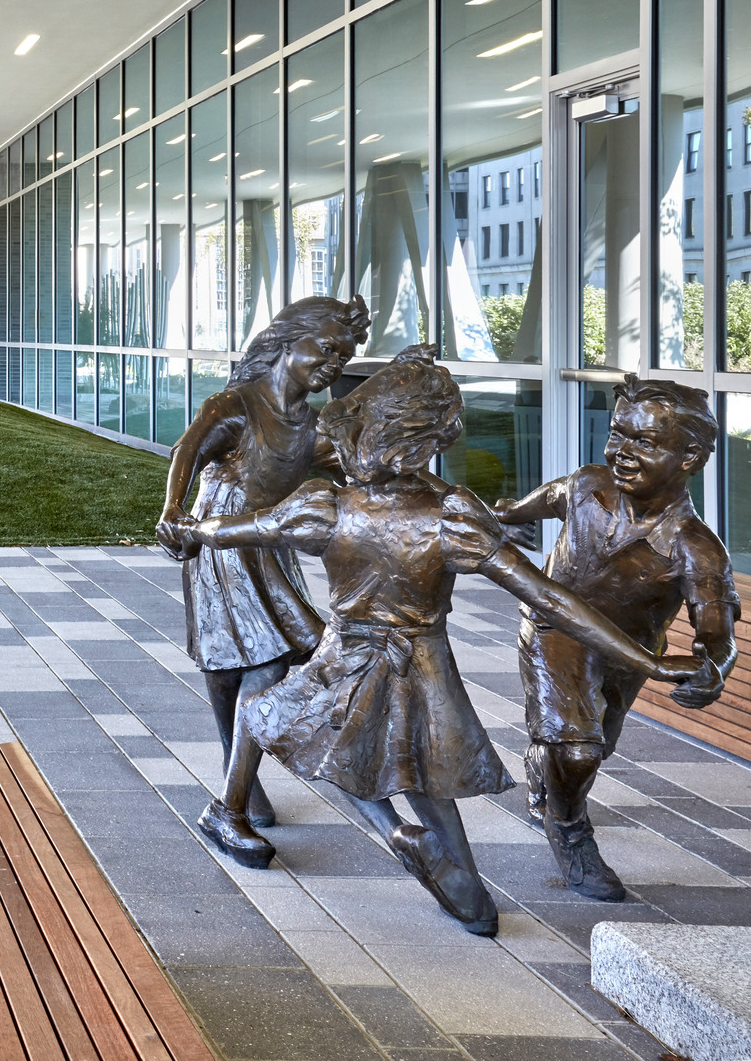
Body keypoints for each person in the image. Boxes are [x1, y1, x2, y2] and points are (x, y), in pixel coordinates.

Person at [163, 347, 717, 936]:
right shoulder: (453, 517)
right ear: (431, 442)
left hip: (347, 657)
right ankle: (471, 892)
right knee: (422, 777)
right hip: (426, 667)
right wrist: (647, 662)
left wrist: (189, 528)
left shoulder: (326, 508)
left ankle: (392, 832)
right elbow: (552, 600)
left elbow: (240, 528)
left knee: (283, 726)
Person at [493, 376, 739, 901]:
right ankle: (571, 831)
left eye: (644, 442)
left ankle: (549, 767)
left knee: (594, 744)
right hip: (552, 629)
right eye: (617, 434)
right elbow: (553, 497)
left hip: (627, 655)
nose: (621, 453)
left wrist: (714, 669)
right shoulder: (590, 485)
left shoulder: (697, 551)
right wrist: (505, 514)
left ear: (690, 456)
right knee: (578, 749)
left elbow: (716, 637)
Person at [157, 295, 370, 834]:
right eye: (326, 349)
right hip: (221, 539)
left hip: (268, 543)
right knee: (235, 659)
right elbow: (187, 450)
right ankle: (239, 783)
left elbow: (352, 470)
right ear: (286, 341)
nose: (332, 365)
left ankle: (236, 783)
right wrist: (171, 511)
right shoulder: (235, 404)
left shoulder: (311, 424)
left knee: (265, 656)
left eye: (341, 359)